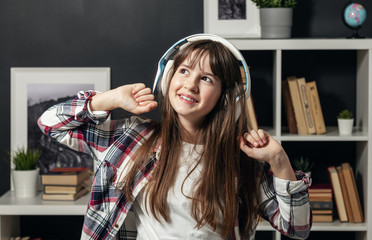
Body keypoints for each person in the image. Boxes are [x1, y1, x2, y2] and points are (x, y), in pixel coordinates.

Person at [38, 34, 312, 240]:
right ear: (168, 77)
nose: (190, 84)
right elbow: (50, 123)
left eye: (207, 79)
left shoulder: (241, 157)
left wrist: (278, 160)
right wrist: (108, 99)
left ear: (226, 96)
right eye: (184, 70)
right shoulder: (132, 138)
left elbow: (297, 228)